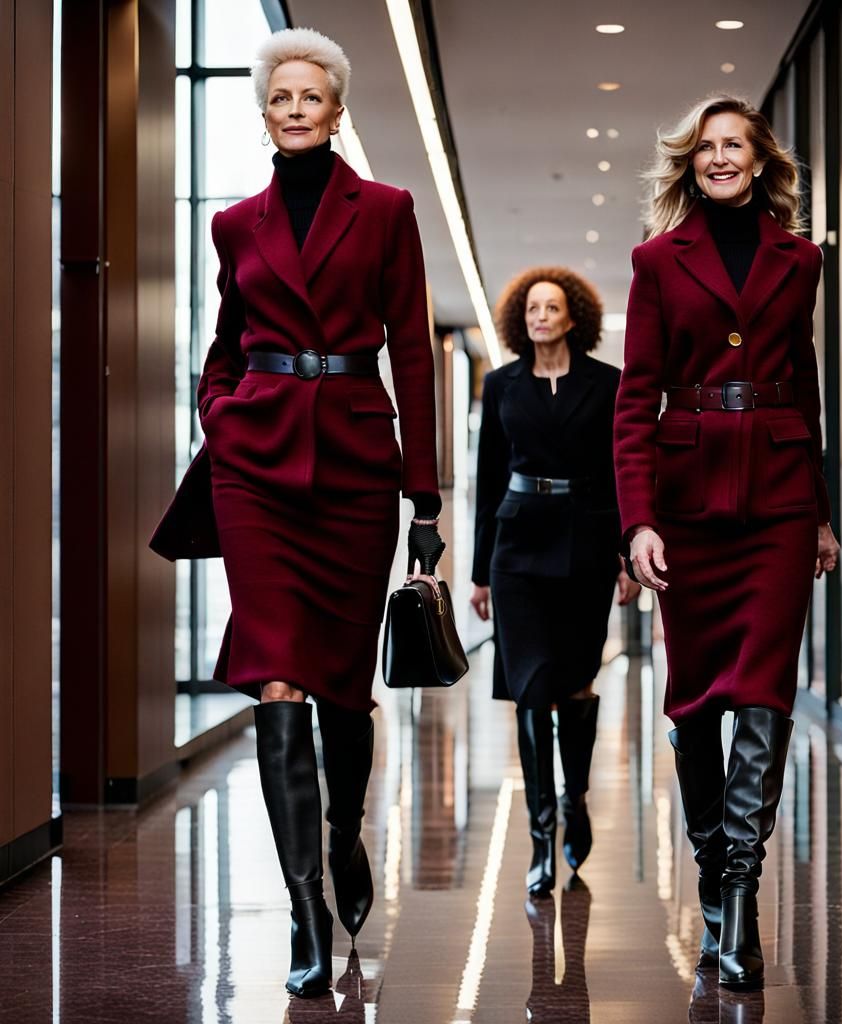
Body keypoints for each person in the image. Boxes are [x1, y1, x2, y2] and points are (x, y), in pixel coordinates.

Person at [163, 28, 444, 998]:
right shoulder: (234, 224)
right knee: (278, 678)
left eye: (309, 96)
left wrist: (427, 496)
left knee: (341, 684)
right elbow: (224, 344)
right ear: (263, 107)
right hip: (256, 467)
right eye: (277, 95)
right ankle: (304, 912)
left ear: (336, 107)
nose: (292, 109)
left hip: (359, 464)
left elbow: (412, 349)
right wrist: (219, 414)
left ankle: (342, 830)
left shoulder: (387, 211)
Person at [614, 95, 840, 990]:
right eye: (706, 148)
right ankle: (712, 865)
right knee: (699, 700)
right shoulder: (656, 262)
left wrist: (820, 512)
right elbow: (636, 397)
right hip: (688, 504)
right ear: (690, 163)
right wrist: (636, 519)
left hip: (781, 499)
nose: (719, 159)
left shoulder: (801, 259)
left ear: (760, 160)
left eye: (734, 146)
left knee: (764, 693)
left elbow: (807, 385)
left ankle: (739, 901)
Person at [471, 268, 640, 896]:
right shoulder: (501, 385)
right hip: (516, 551)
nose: (542, 316)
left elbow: (621, 472)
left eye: (554, 307)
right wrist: (478, 573)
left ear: (574, 319)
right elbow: (489, 479)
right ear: (523, 318)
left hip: (586, 545)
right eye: (533, 308)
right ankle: (541, 834)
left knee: (574, 684)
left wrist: (628, 555)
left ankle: (577, 799)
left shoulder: (607, 384)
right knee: (529, 689)